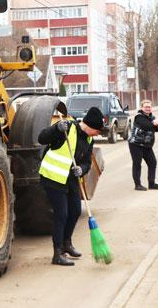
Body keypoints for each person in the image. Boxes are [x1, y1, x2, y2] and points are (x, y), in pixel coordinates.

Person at [38, 107, 104, 266]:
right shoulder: (67, 129)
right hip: (53, 177)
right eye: (97, 130)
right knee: (62, 214)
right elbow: (42, 138)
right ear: (90, 126)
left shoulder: (89, 140)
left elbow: (87, 162)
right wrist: (56, 129)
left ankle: (66, 244)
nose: (98, 134)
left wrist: (82, 169)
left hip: (70, 179)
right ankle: (57, 253)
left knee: (75, 211)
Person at [128, 100, 158, 191]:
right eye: (146, 107)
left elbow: (155, 129)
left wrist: (156, 125)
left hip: (147, 145)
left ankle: (151, 183)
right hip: (136, 144)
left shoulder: (152, 117)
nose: (148, 108)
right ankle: (137, 185)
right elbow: (147, 126)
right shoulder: (139, 117)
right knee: (137, 164)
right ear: (142, 108)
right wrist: (155, 124)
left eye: (149, 107)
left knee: (152, 162)